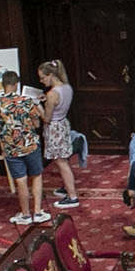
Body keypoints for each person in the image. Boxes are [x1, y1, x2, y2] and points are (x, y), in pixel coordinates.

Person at [0, 71, 48, 225]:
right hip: (30, 145)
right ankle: (37, 212)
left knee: (20, 181)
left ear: (3, 85)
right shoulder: (27, 101)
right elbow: (36, 124)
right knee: (36, 176)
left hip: (11, 148)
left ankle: (25, 215)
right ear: (16, 84)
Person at [36, 60, 80, 212]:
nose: (42, 81)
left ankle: (72, 196)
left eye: (42, 78)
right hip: (63, 124)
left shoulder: (52, 94)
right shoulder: (67, 87)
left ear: (51, 75)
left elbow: (46, 118)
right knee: (63, 159)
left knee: (61, 162)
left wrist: (37, 106)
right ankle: (67, 187)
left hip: (54, 128)